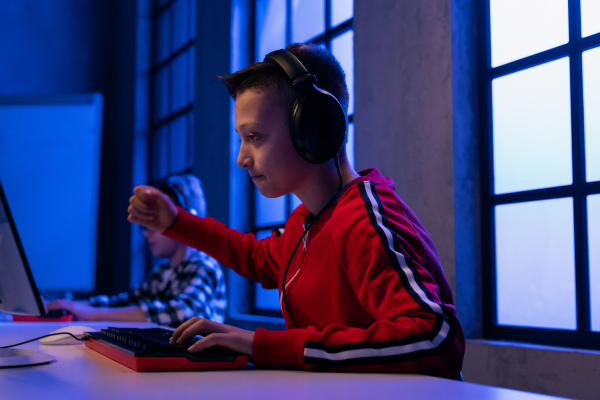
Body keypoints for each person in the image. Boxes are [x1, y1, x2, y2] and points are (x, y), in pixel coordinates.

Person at [127, 43, 465, 378]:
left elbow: (436, 338)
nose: (242, 158)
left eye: (255, 137)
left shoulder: (364, 218)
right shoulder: (306, 220)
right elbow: (256, 258)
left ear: (315, 128)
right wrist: (175, 221)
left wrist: (266, 345)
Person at [48, 174, 227, 328]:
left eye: (155, 223)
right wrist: (73, 305)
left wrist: (96, 314)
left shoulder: (204, 266)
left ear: (185, 220)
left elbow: (184, 313)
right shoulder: (162, 272)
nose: (146, 232)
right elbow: (125, 303)